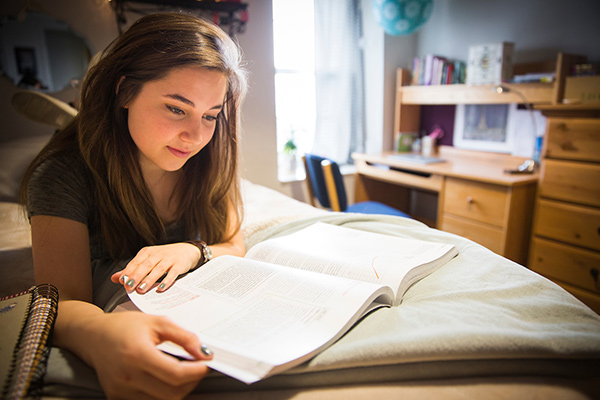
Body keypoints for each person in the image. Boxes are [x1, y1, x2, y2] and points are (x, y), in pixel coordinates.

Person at [19, 12, 247, 399]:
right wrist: (103, 336)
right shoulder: (61, 176)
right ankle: (71, 121)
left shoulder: (210, 160)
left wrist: (191, 250)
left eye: (210, 115)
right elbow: (62, 301)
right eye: (176, 108)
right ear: (124, 91)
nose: (194, 136)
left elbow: (233, 242)